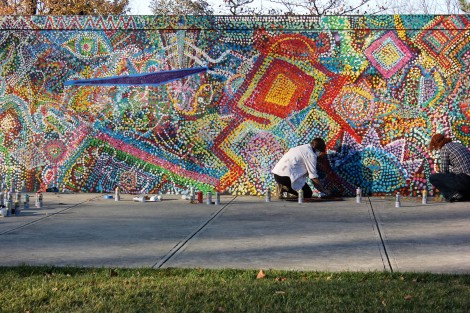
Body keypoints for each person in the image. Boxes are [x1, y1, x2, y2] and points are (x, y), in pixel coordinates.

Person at [428, 133, 470, 202]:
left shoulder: (445, 148)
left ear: (437, 143)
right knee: (452, 174)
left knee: (433, 178)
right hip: (467, 180)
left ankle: (451, 195)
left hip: (464, 179)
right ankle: (462, 195)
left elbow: (444, 171)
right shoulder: (457, 145)